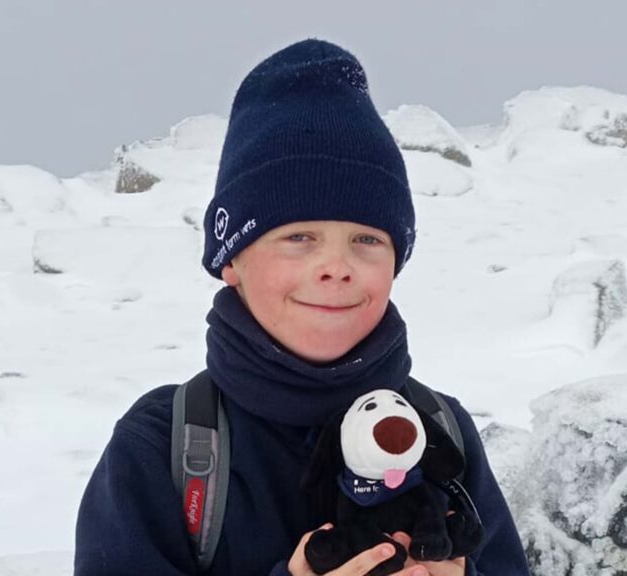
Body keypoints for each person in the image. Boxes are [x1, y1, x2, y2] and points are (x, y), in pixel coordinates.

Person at [75, 38, 529, 576]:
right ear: (232, 262)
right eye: (298, 237)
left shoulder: (438, 429)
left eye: (366, 241)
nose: (336, 267)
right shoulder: (160, 447)